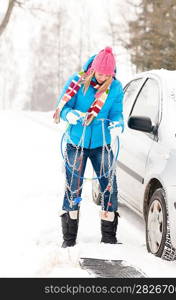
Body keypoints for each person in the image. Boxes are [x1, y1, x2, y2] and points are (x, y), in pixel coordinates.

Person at [53, 46, 124, 248]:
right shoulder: (77, 81)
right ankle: (69, 240)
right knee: (72, 188)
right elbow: (63, 105)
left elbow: (117, 113)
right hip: (76, 142)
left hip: (102, 143)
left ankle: (109, 238)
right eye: (100, 73)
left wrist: (118, 124)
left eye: (107, 75)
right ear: (93, 68)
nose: (102, 78)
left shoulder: (116, 88)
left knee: (109, 187)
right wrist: (70, 115)